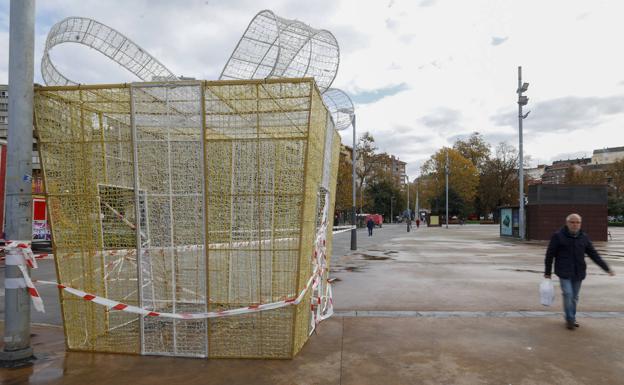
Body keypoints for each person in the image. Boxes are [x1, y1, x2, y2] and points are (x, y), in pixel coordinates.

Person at [544, 213, 615, 330]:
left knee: (575, 297)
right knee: (568, 294)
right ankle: (570, 319)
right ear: (567, 223)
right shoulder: (558, 236)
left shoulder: (584, 237)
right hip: (564, 271)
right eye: (572, 222)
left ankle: (571, 316)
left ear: (580, 224)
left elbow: (594, 255)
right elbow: (550, 255)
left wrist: (606, 268)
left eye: (577, 222)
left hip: (578, 272)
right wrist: (547, 272)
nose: (575, 224)